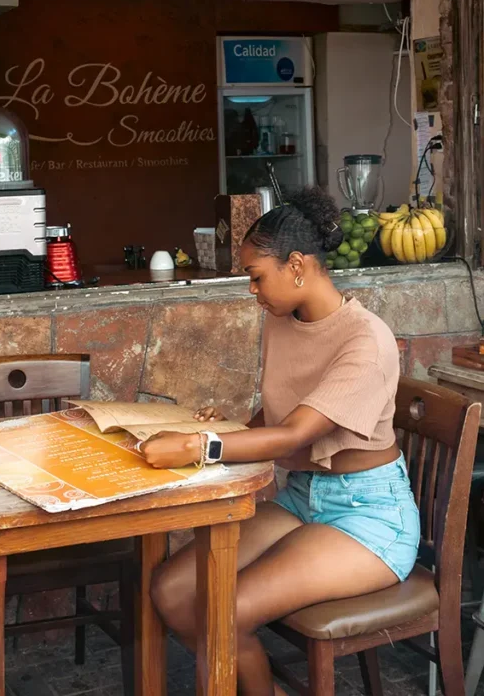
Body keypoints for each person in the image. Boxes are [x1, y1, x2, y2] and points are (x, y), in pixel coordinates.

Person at [141, 187, 420, 696]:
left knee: (226, 608)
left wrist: (200, 446)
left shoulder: (366, 339)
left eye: (256, 276)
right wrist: (230, 430)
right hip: (303, 496)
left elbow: (296, 433)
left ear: (295, 266)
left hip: (368, 516)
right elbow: (277, 415)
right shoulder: (281, 320)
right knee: (172, 590)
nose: (252, 291)